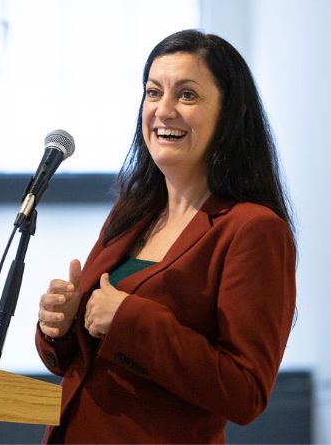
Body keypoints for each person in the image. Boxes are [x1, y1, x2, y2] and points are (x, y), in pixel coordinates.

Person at [35, 29, 296, 444]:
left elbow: (245, 391)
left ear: (231, 114)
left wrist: (129, 320)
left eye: (187, 95)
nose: (164, 109)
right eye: (153, 92)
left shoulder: (254, 230)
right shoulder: (133, 211)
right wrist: (62, 325)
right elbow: (81, 356)